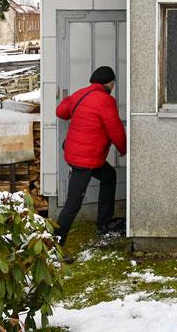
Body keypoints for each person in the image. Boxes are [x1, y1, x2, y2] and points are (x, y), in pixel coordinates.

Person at [54, 65, 126, 246]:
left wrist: (69, 100)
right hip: (84, 159)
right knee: (73, 204)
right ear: (110, 83)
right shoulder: (105, 100)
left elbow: (61, 112)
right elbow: (115, 130)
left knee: (109, 176)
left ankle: (104, 222)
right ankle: (54, 245)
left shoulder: (81, 94)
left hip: (81, 154)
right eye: (113, 83)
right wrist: (123, 149)